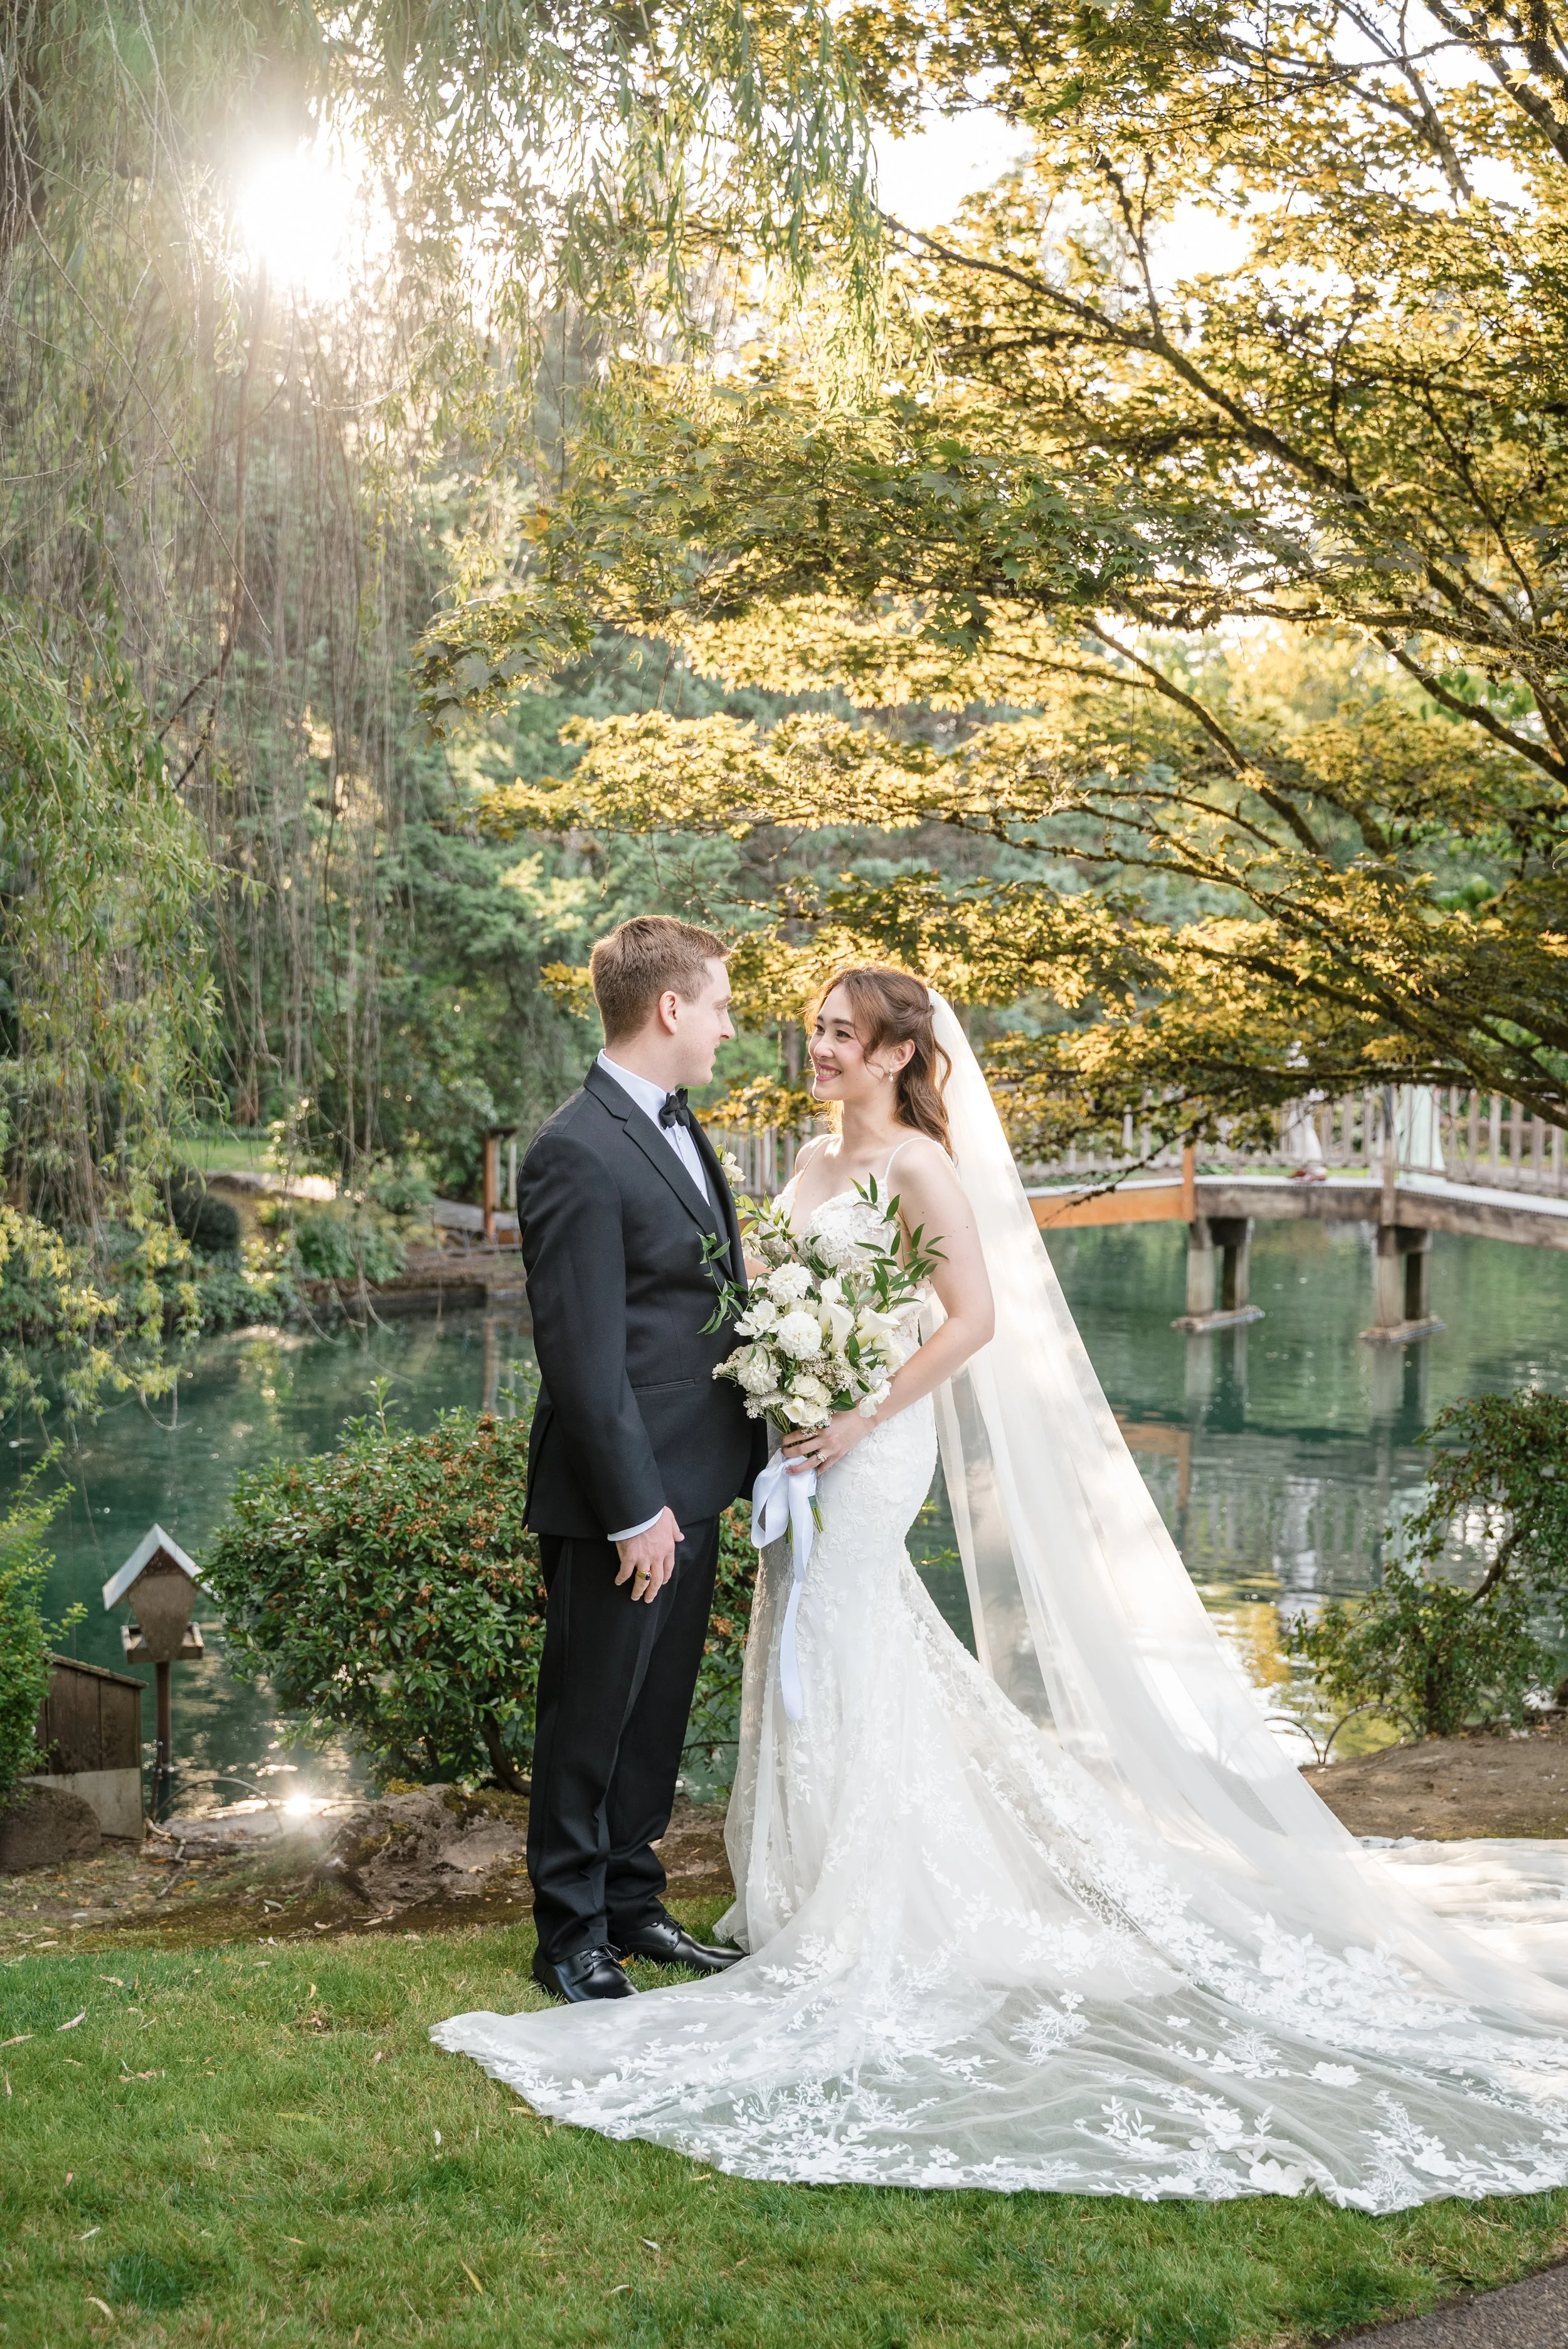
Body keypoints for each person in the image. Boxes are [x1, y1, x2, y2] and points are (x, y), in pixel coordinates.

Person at [435, 966, 1568, 2208]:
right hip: (789, 1448)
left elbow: (967, 1320)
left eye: (839, 1034)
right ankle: (776, 1882)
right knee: (792, 1633)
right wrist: (785, 1387)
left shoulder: (923, 1167)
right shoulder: (802, 1161)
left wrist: (858, 1407)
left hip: (868, 1445)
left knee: (844, 1624)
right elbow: (731, 1306)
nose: (814, 1046)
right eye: (811, 1028)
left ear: (894, 1053)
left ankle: (852, 1891)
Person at [512, 915, 766, 2003]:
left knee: (656, 1710)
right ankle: (569, 1935)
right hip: (621, 1500)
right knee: (590, 1717)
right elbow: (581, 1354)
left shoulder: (681, 1128)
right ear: (670, 1009)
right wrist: (633, 1511)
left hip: (698, 1478)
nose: (725, 1025)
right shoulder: (575, 1147)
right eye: (717, 1005)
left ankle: (632, 1901)